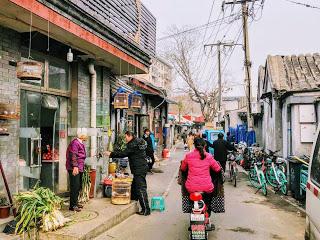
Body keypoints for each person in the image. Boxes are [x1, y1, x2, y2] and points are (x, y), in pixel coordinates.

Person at [105, 131, 151, 216]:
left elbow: (123, 153)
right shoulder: (138, 141)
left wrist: (111, 154)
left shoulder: (132, 144)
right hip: (142, 167)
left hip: (139, 168)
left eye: (126, 137)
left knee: (141, 188)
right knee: (135, 185)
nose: (125, 139)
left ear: (130, 136)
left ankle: (146, 210)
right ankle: (134, 199)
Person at [180, 137, 221, 217]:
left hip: (191, 187)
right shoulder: (208, 156)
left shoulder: (188, 156)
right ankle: (207, 214)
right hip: (206, 187)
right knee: (208, 202)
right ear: (205, 146)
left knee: (192, 202)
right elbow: (218, 169)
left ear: (194, 145)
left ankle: (193, 213)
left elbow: (182, 168)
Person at [66, 131, 88, 212]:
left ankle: (75, 202)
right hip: (75, 168)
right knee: (75, 186)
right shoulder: (75, 143)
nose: (87, 136)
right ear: (82, 136)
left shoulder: (80, 143)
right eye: (85, 134)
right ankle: (73, 206)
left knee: (78, 186)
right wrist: (75, 166)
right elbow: (73, 155)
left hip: (79, 167)